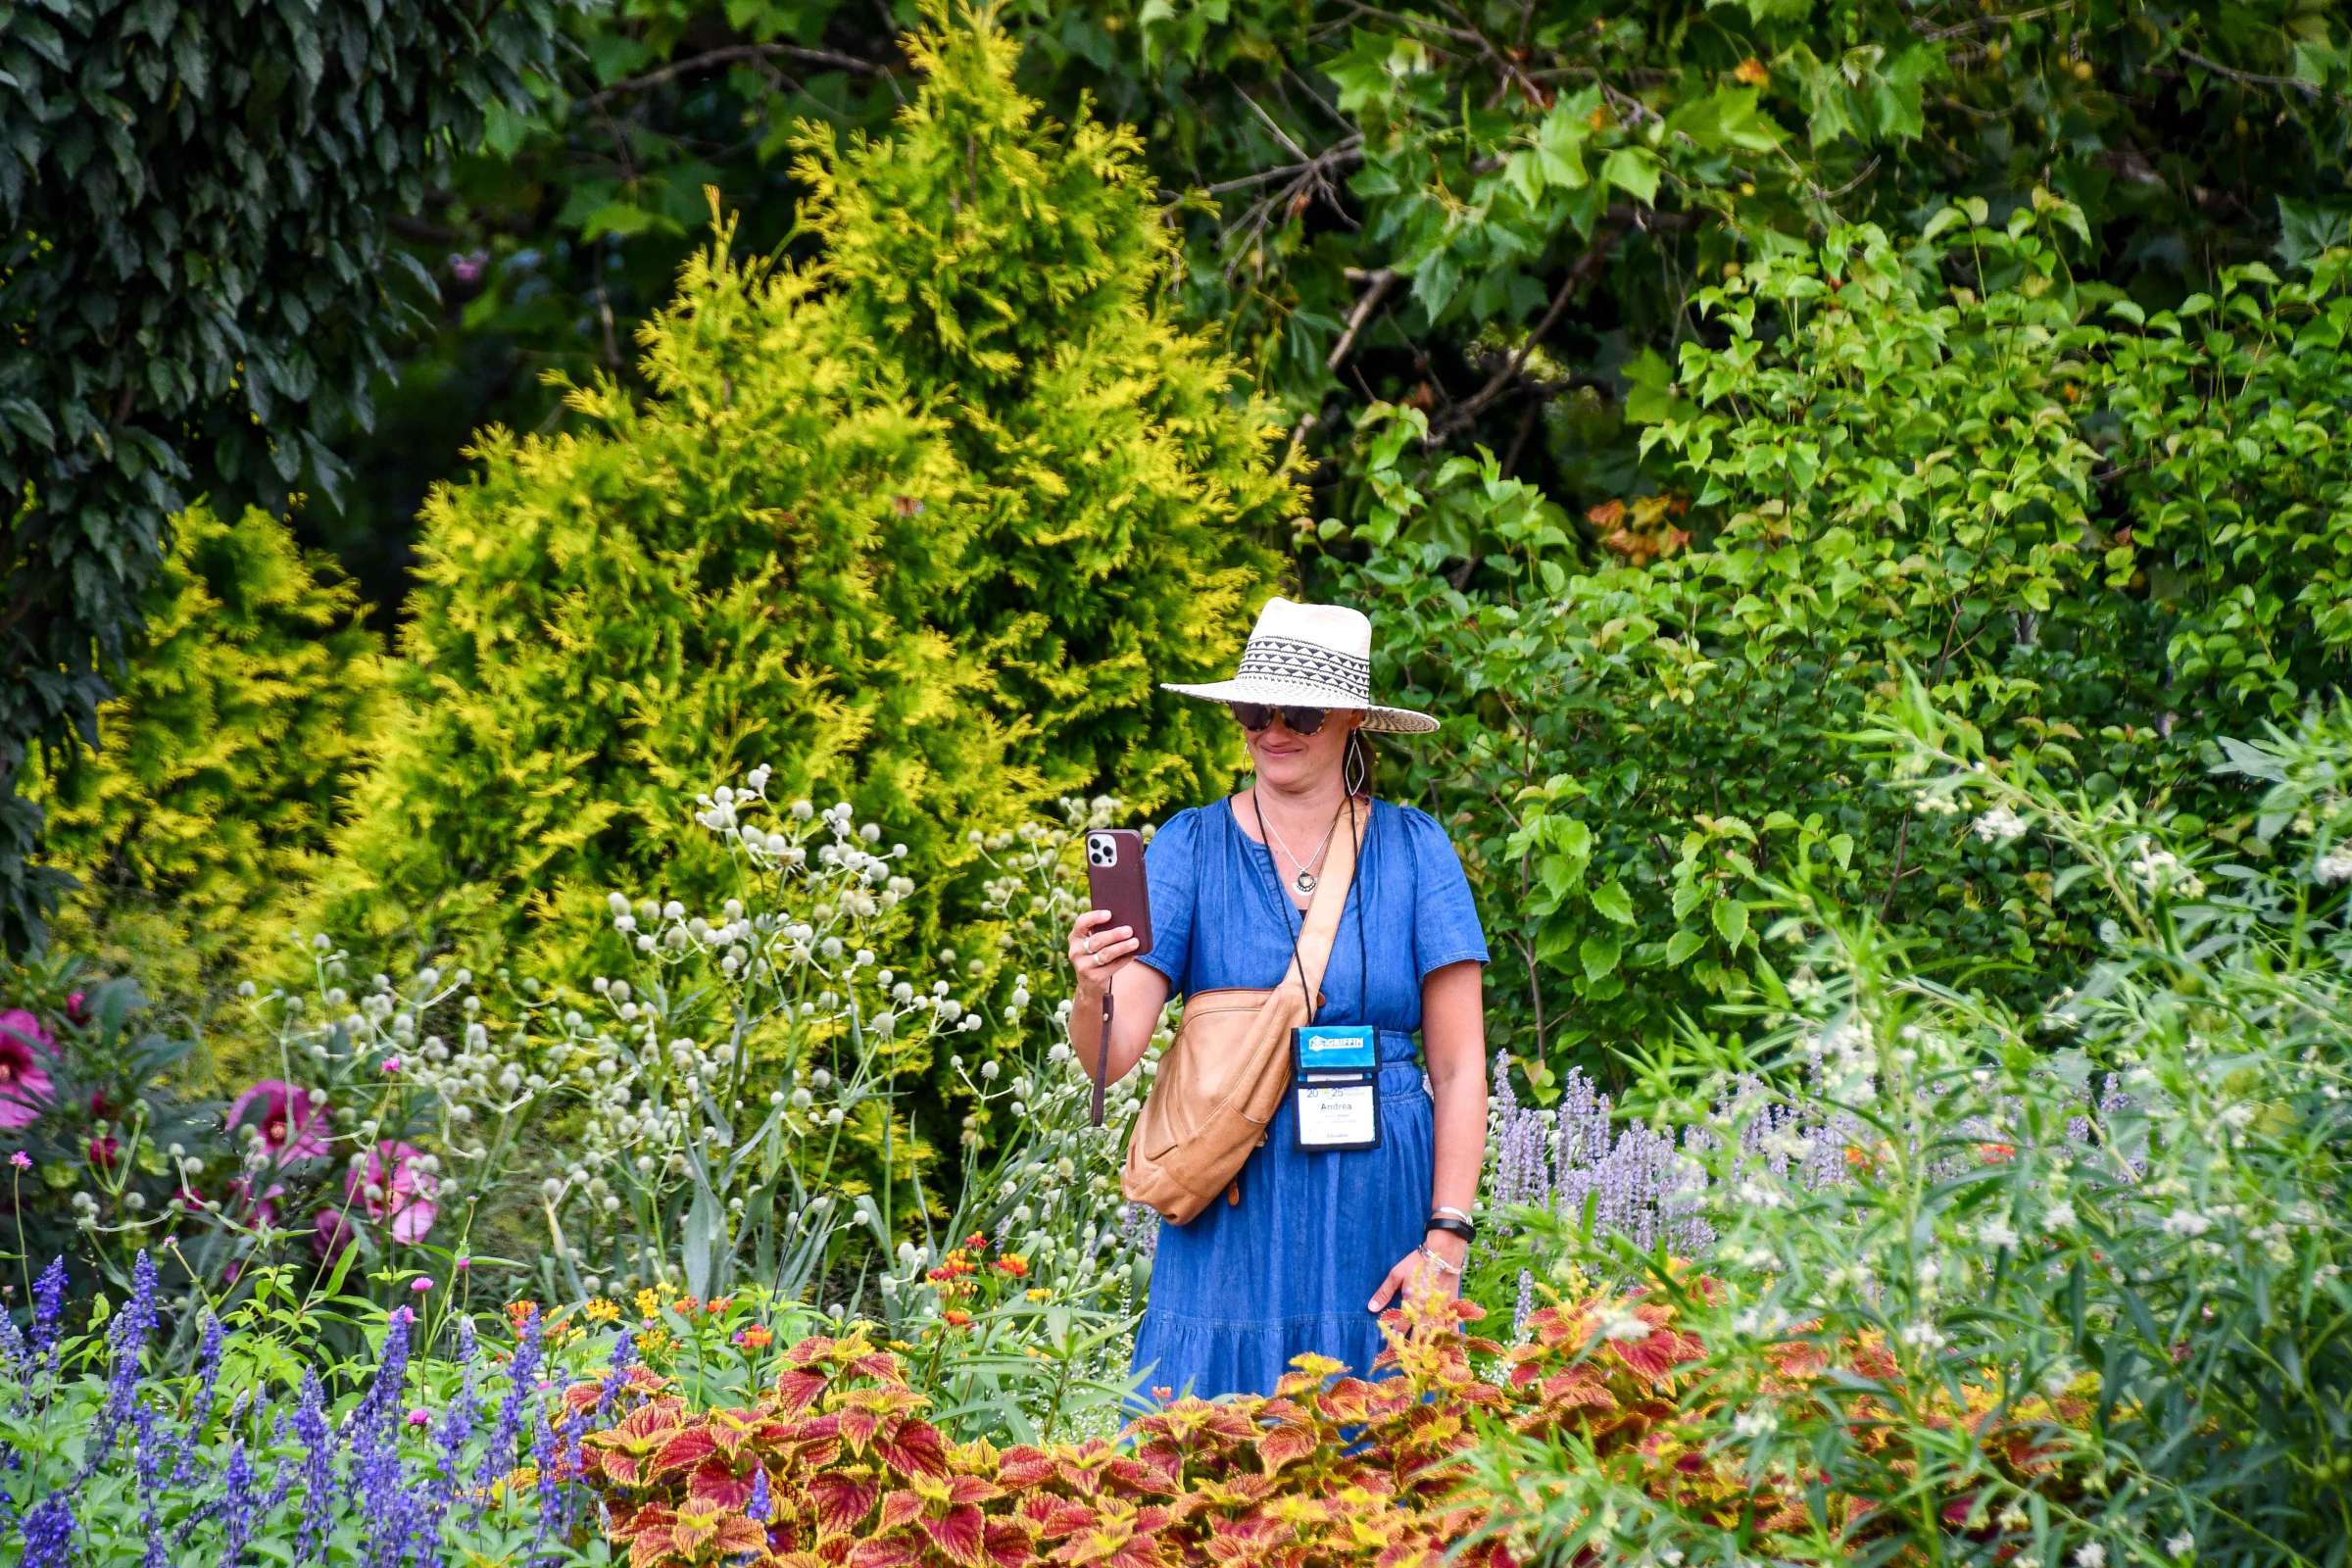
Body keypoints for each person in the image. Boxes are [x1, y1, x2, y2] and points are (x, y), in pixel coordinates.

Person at [1067, 594, 1491, 1402]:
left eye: (1298, 709)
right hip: (1235, 1213)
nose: (1273, 729)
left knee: (1387, 1495)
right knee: (1206, 1476)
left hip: (1379, 1217)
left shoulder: (1416, 850)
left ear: (1353, 717)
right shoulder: (1190, 846)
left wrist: (1444, 1248)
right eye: (1254, 709)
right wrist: (1092, 989)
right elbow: (1109, 1058)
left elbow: (1463, 1067)